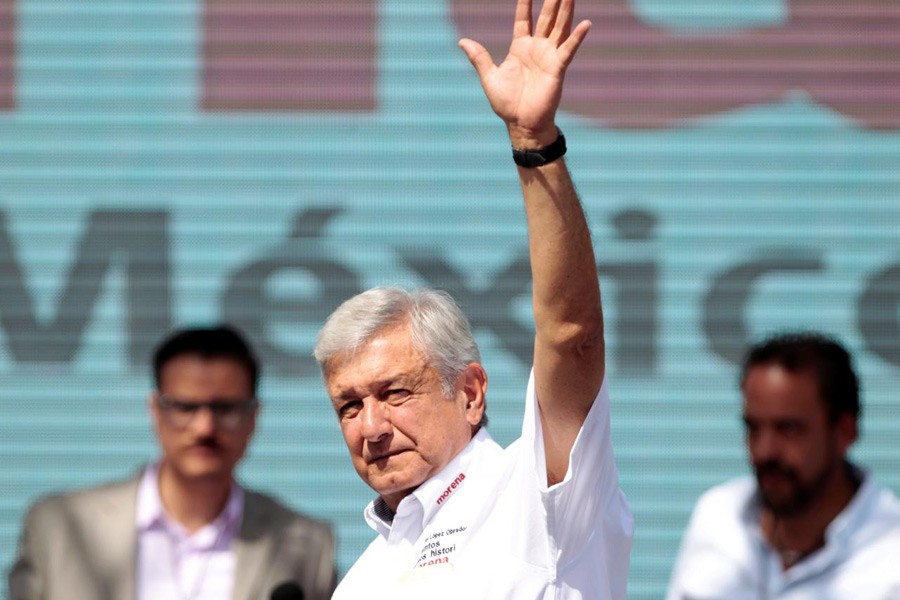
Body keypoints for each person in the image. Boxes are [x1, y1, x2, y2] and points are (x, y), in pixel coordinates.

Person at [313, 0, 633, 597]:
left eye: (395, 393)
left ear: (470, 392)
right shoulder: (359, 582)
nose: (372, 427)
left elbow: (571, 334)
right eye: (349, 406)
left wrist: (534, 143)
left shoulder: (534, 496)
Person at [8, 325, 336, 600]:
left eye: (225, 409)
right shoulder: (56, 527)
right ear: (155, 409)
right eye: (185, 407)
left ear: (254, 416)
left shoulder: (307, 543)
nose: (204, 428)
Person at [666, 332, 900, 600]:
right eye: (753, 427)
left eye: (788, 428)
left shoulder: (891, 557)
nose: (764, 451)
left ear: (844, 432)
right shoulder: (718, 516)